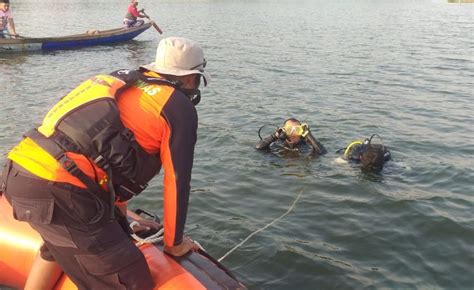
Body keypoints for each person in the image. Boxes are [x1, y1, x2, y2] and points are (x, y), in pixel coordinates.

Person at [0, 36, 210, 290]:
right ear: (190, 77)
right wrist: (174, 243)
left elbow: (104, 155)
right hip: (61, 189)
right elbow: (177, 181)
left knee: (57, 247)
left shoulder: (122, 81)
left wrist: (118, 218)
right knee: (133, 281)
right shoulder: (177, 106)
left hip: (20, 172)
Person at [256, 118, 327, 156]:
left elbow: (322, 153)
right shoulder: (278, 143)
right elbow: (258, 148)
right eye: (289, 130)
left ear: (302, 131)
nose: (293, 133)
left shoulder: (307, 144)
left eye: (297, 130)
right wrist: (275, 135)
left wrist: (309, 135)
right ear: (284, 131)